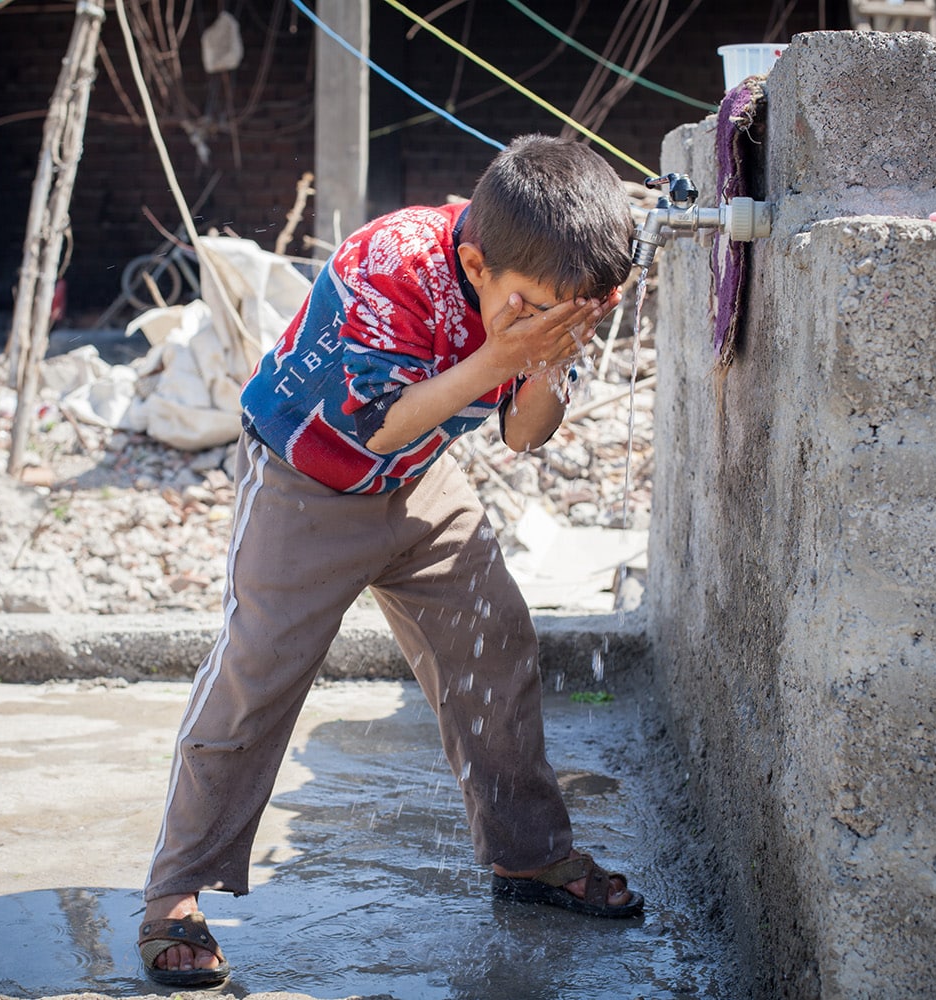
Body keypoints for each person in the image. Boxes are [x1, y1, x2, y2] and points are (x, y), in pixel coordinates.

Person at [137, 134, 643, 989]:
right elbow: (375, 426)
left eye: (566, 314)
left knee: (497, 642)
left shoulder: (546, 291)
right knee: (256, 676)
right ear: (477, 262)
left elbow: (522, 435)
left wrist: (544, 358)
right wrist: (502, 357)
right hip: (309, 479)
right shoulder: (387, 265)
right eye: (528, 307)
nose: (543, 321)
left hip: (417, 480)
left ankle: (529, 858)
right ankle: (173, 897)